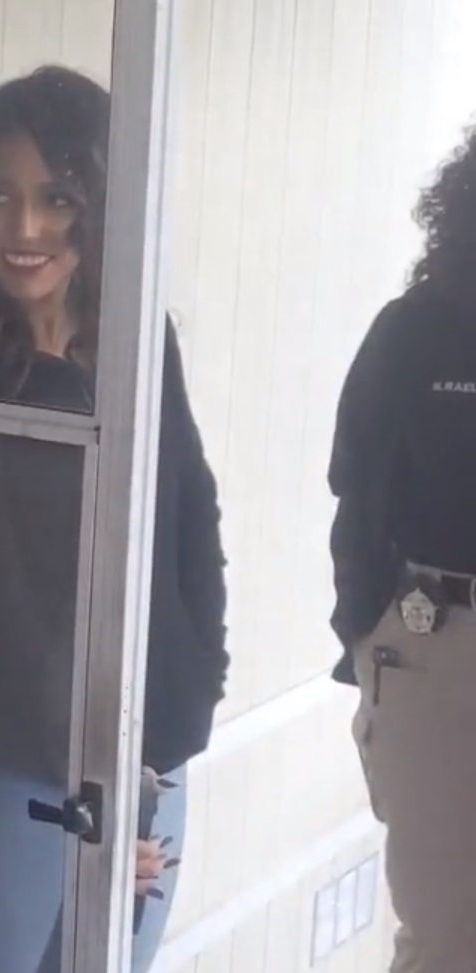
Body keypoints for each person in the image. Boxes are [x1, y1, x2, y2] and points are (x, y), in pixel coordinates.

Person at [0, 66, 228, 973]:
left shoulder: (135, 332)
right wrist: (99, 802)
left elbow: (186, 515)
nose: (24, 228)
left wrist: (180, 709)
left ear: (102, 204)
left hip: (131, 757)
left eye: (57, 197)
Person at [329, 122, 476, 973]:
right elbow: (353, 486)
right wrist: (367, 629)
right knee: (447, 937)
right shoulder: (416, 331)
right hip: (438, 649)